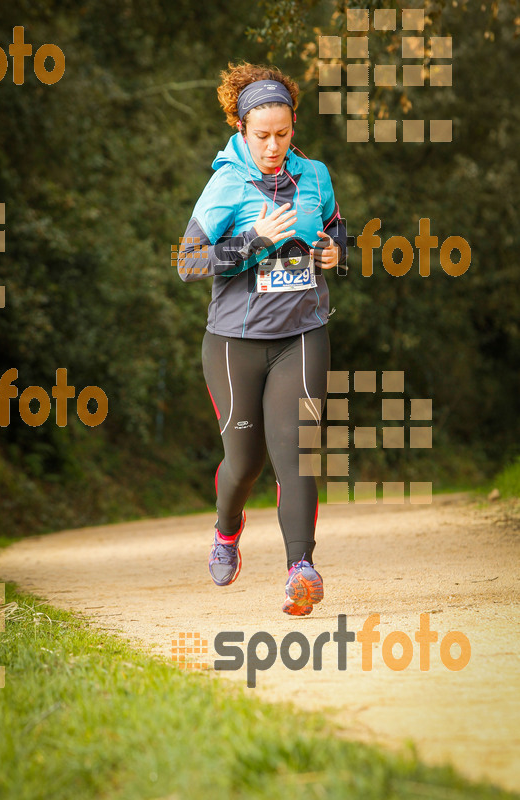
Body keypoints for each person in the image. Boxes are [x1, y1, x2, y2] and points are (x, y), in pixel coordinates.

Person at [177, 61, 347, 615]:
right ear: (242, 128)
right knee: (244, 461)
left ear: (294, 124)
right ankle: (227, 528)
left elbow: (338, 231)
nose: (273, 146)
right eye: (261, 136)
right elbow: (188, 262)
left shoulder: (316, 175)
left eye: (283, 134)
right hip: (234, 346)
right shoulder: (227, 183)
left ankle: (302, 568)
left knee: (295, 453)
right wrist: (252, 239)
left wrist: (333, 253)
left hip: (302, 335)